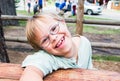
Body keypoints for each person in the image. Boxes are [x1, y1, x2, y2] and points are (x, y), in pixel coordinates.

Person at [20, 13, 93, 81]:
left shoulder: (84, 43)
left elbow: (90, 70)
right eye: (45, 40)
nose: (53, 38)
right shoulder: (48, 58)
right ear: (42, 49)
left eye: (54, 28)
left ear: (63, 23)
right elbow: (32, 72)